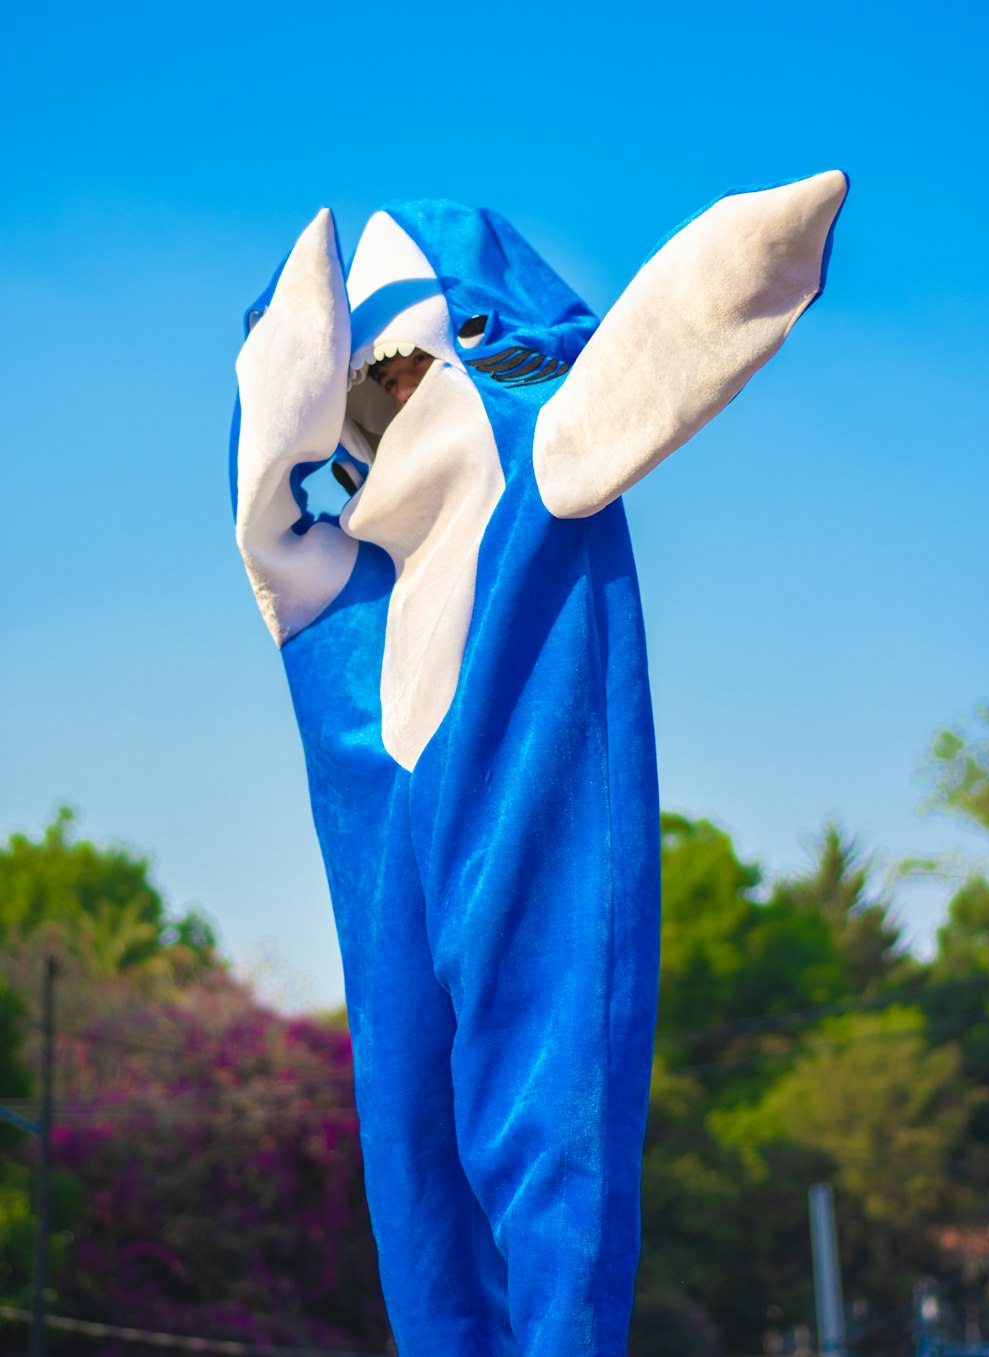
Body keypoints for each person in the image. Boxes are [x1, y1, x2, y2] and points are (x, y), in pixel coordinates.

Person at [231, 172, 848, 1357]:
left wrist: (744, 258)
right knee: (407, 1142)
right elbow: (273, 533)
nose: (364, 429)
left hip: (516, 771)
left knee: (547, 1110)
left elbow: (646, 358)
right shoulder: (349, 607)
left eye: (389, 379)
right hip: (394, 811)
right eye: (350, 407)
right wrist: (277, 423)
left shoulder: (535, 470)